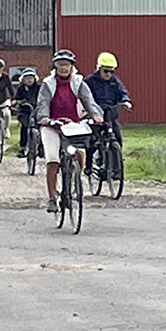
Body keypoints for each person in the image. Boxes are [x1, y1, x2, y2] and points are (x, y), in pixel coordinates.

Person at [36, 50, 103, 213]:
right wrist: (45, 118)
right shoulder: (48, 83)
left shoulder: (79, 82)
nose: (64, 68)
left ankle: (73, 184)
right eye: (60, 65)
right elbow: (42, 103)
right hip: (52, 125)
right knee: (53, 160)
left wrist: (96, 115)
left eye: (67, 64)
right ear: (55, 66)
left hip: (73, 125)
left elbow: (89, 100)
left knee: (79, 154)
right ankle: (52, 198)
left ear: (72, 66)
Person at [83, 52, 131, 175]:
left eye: (111, 71)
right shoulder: (90, 81)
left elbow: (122, 92)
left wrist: (125, 101)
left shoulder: (115, 82)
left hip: (110, 115)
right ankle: (88, 165)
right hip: (95, 115)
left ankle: (116, 167)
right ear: (99, 69)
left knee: (117, 138)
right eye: (106, 71)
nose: (108, 74)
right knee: (92, 141)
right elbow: (83, 96)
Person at [14, 68, 40, 158]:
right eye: (27, 78)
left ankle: (40, 147)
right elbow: (17, 98)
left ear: (34, 78)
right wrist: (20, 102)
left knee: (40, 127)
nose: (29, 80)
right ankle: (23, 147)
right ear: (23, 79)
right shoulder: (21, 88)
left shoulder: (39, 88)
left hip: (36, 111)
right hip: (24, 111)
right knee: (25, 126)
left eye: (31, 78)